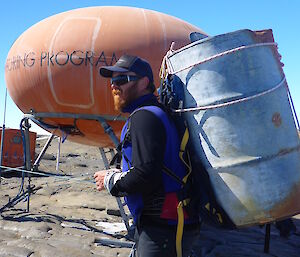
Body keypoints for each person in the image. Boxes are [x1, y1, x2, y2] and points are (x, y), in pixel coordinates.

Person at [94, 54, 200, 257]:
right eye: (112, 81)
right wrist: (120, 172)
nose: (114, 86)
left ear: (144, 82)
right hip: (164, 223)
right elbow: (154, 166)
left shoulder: (144, 116)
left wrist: (111, 180)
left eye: (121, 80)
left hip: (164, 227)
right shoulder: (154, 113)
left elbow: (146, 175)